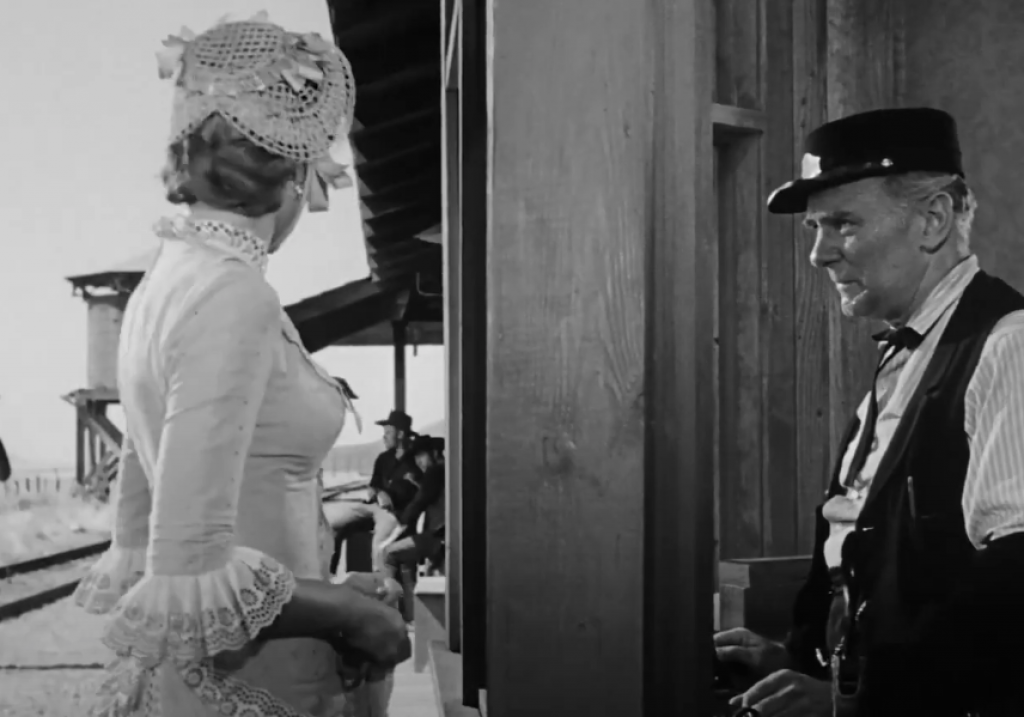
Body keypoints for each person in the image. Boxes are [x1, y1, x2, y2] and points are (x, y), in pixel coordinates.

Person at [72, 15, 407, 717]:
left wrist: (335, 595)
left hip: (224, 664)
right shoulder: (233, 293)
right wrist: (349, 613)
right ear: (295, 171)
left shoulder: (164, 282)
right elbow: (189, 559)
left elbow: (142, 526)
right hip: (257, 681)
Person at [715, 107, 1024, 717]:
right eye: (815, 228)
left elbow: (1012, 588)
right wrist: (798, 661)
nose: (818, 254)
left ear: (933, 220)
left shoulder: (1007, 346)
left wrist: (856, 704)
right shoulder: (909, 351)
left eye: (844, 224)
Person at [324, 410, 421, 573]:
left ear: (400, 434)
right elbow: (373, 486)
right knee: (334, 527)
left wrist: (393, 497)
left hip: (394, 514)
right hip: (373, 507)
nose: (384, 437)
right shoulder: (383, 459)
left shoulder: (415, 461)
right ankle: (329, 575)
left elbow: (418, 494)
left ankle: (380, 580)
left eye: (388, 432)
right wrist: (377, 493)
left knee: (379, 544)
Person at [377, 434, 445, 582]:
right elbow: (434, 496)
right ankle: (409, 595)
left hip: (437, 539)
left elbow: (418, 504)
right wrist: (418, 483)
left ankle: (393, 596)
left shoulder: (435, 471)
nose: (418, 462)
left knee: (388, 553)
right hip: (443, 537)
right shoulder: (446, 471)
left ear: (434, 453)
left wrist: (393, 534)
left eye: (421, 455)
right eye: (416, 457)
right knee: (409, 558)